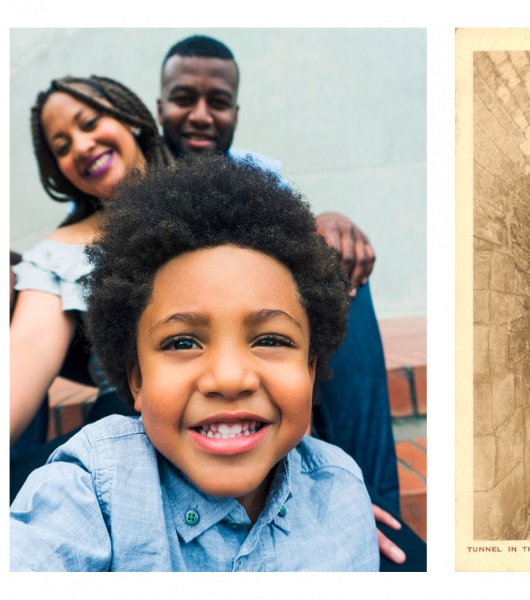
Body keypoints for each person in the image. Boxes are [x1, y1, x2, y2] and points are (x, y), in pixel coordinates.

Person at [11, 154, 379, 571]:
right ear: (137, 381)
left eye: (271, 339)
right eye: (182, 342)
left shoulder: (341, 494)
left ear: (310, 372)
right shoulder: (93, 487)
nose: (228, 378)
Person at [157, 35, 412, 562]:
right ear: (161, 106)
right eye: (184, 98)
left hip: (257, 335)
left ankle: (374, 506)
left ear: (236, 111)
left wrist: (330, 224)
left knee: (338, 272)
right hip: (178, 349)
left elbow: (298, 245)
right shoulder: (140, 174)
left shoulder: (259, 175)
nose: (202, 114)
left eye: (219, 102)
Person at [10, 76, 173, 452]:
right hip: (122, 440)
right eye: (62, 147)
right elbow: (27, 349)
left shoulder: (218, 194)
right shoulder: (58, 254)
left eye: (89, 123)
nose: (81, 146)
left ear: (128, 117)